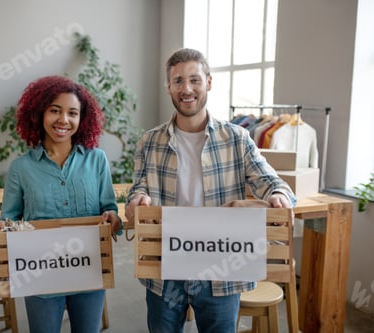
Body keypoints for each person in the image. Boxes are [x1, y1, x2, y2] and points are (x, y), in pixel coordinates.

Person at [125, 48, 296, 333]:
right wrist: (137, 198)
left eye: (194, 79)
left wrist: (278, 195)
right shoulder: (149, 141)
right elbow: (138, 186)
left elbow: (273, 183)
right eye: (178, 81)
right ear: (168, 86)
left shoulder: (237, 138)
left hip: (222, 266)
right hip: (166, 264)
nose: (187, 89)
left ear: (209, 82)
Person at [0, 75, 123, 333]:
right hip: (40, 274)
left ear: (82, 119)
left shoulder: (97, 161)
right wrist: (1, 228)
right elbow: (10, 219)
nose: (64, 120)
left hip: (89, 272)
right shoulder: (21, 168)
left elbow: (110, 211)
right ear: (39, 113)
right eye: (55, 111)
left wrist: (113, 219)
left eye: (73, 113)